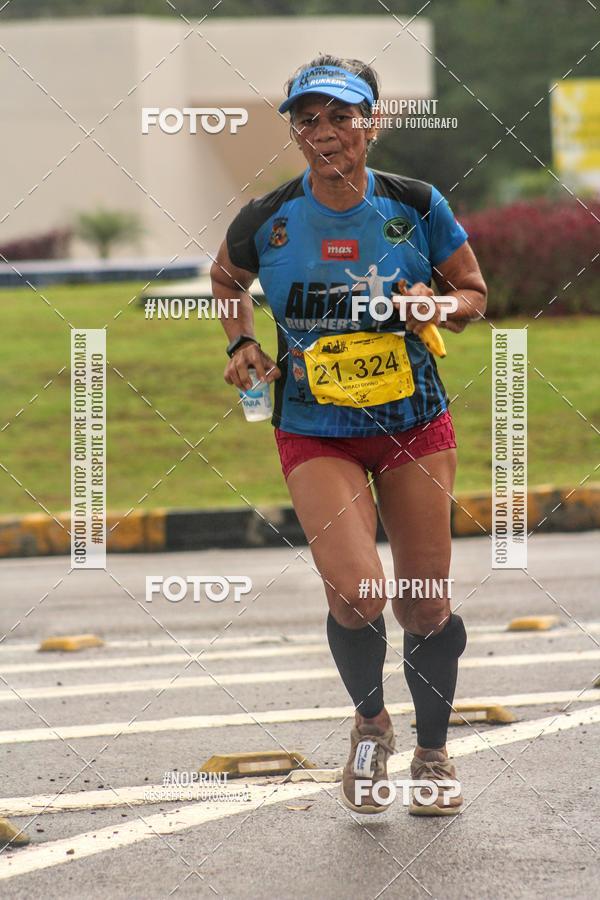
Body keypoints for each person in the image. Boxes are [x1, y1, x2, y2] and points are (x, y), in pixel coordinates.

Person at [211, 55, 487, 816]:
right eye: (308, 119)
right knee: (359, 594)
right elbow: (227, 279)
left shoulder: (416, 203)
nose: (325, 131)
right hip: (315, 428)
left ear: (373, 123)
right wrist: (242, 343)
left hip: (412, 425)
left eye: (341, 116)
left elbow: (473, 293)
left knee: (424, 603)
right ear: (295, 133)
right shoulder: (266, 218)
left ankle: (433, 751)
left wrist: (437, 306)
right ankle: (371, 726)